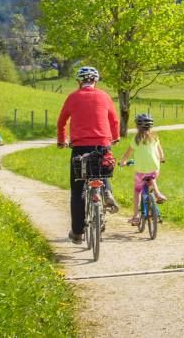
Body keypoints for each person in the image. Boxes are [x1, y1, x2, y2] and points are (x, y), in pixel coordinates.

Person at [57, 66, 120, 244]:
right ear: (96, 81)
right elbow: (114, 120)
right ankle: (106, 192)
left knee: (77, 191)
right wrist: (114, 138)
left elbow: (61, 122)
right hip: (102, 144)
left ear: (79, 81)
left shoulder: (73, 97)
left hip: (79, 147)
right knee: (103, 169)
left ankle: (77, 233)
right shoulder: (105, 96)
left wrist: (62, 141)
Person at [119, 113, 167, 225]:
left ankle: (135, 216)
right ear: (151, 126)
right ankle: (157, 193)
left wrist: (122, 163)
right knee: (152, 177)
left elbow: (127, 154)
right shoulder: (155, 137)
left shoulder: (136, 140)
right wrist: (162, 159)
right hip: (154, 168)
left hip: (140, 171)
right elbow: (160, 152)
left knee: (137, 191)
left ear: (137, 126)